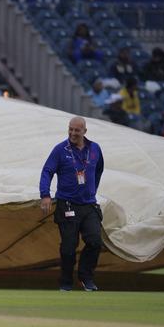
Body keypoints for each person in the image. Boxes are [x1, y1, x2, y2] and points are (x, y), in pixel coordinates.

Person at [40, 117, 104, 292]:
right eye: (70, 129)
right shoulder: (60, 150)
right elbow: (47, 171)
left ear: (85, 131)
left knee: (95, 242)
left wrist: (92, 190)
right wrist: (45, 195)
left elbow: (98, 170)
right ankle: (66, 282)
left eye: (77, 130)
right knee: (69, 247)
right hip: (67, 204)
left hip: (89, 205)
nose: (73, 133)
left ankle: (86, 278)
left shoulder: (95, 149)